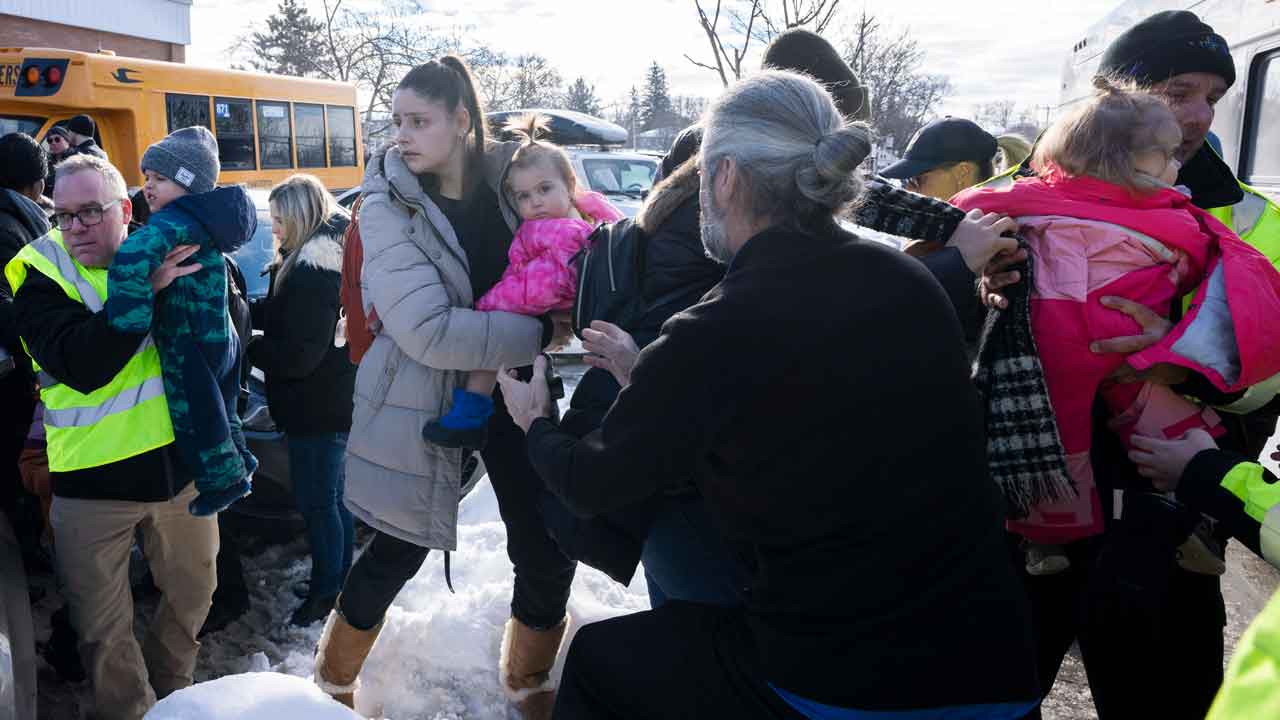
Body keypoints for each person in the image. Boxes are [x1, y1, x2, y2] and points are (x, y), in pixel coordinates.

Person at [497, 69, 1040, 720]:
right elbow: (808, 402)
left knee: (600, 661)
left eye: (702, 181)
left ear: (724, 177)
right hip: (996, 662)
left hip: (850, 681)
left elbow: (593, 483)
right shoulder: (910, 281)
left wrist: (536, 423)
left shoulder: (722, 322)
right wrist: (651, 375)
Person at [977, 11, 1280, 718]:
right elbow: (941, 329)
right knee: (994, 697)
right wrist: (986, 297)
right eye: (1178, 91)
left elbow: (1275, 361)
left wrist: (1184, 354)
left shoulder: (1249, 217)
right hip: (1019, 516)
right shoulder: (1024, 195)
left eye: (1213, 94)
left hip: (1168, 526)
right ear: (1112, 95)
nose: (1201, 115)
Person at [311, 57, 574, 720]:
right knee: (397, 546)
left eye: (419, 120)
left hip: (515, 391)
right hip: (421, 395)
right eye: (396, 120)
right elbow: (427, 331)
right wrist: (541, 332)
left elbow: (573, 235)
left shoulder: (513, 182)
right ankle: (331, 683)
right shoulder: (387, 204)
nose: (402, 133)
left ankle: (527, 678)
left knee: (545, 543)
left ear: (461, 122)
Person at [954, 80, 1280, 577]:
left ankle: (1046, 537)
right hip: (1135, 345)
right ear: (1129, 164)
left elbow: (967, 210)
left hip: (1053, 341)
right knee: (1168, 422)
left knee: (1060, 442)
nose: (1177, 166)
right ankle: (1198, 514)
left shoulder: (1030, 197)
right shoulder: (1171, 214)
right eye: (1166, 157)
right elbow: (1197, 258)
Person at [6, 154, 216, 720]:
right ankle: (131, 713)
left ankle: (173, 698)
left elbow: (220, 337)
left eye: (90, 213)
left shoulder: (171, 246)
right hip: (89, 486)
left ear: (126, 210)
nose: (74, 228)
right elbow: (83, 362)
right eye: (63, 214)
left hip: (178, 476)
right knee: (103, 630)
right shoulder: (37, 273)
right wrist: (143, 292)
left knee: (193, 598)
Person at [422, 115, 622, 449]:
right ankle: (472, 417)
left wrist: (490, 303)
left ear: (569, 185)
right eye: (523, 196)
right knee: (497, 358)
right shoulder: (556, 223)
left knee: (488, 344)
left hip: (542, 304)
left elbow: (549, 284)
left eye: (544, 189)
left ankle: (468, 418)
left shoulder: (565, 230)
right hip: (542, 311)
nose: (535, 202)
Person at [105, 126, 258, 516]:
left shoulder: (172, 222)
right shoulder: (207, 221)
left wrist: (130, 318)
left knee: (195, 412)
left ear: (188, 182)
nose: (148, 188)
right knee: (221, 403)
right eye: (146, 178)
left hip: (185, 333)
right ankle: (241, 459)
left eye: (159, 178)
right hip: (217, 334)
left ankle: (222, 482)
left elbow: (128, 259)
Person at [247, 173, 356, 627]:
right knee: (335, 500)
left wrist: (250, 345)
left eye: (278, 220)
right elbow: (286, 315)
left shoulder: (313, 273)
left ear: (300, 217)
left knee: (319, 504)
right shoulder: (314, 259)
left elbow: (298, 355)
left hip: (318, 409)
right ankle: (338, 581)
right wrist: (246, 309)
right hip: (331, 402)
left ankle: (328, 594)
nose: (273, 229)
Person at [0, 133, 50, 571]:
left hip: (15, 368)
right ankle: (28, 554)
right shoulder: (16, 227)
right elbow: (10, 308)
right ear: (36, 185)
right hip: (14, 374)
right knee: (19, 465)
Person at [879, 116, 998, 200]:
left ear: (962, 172)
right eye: (908, 181)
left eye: (917, 181)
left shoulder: (999, 233)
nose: (909, 190)